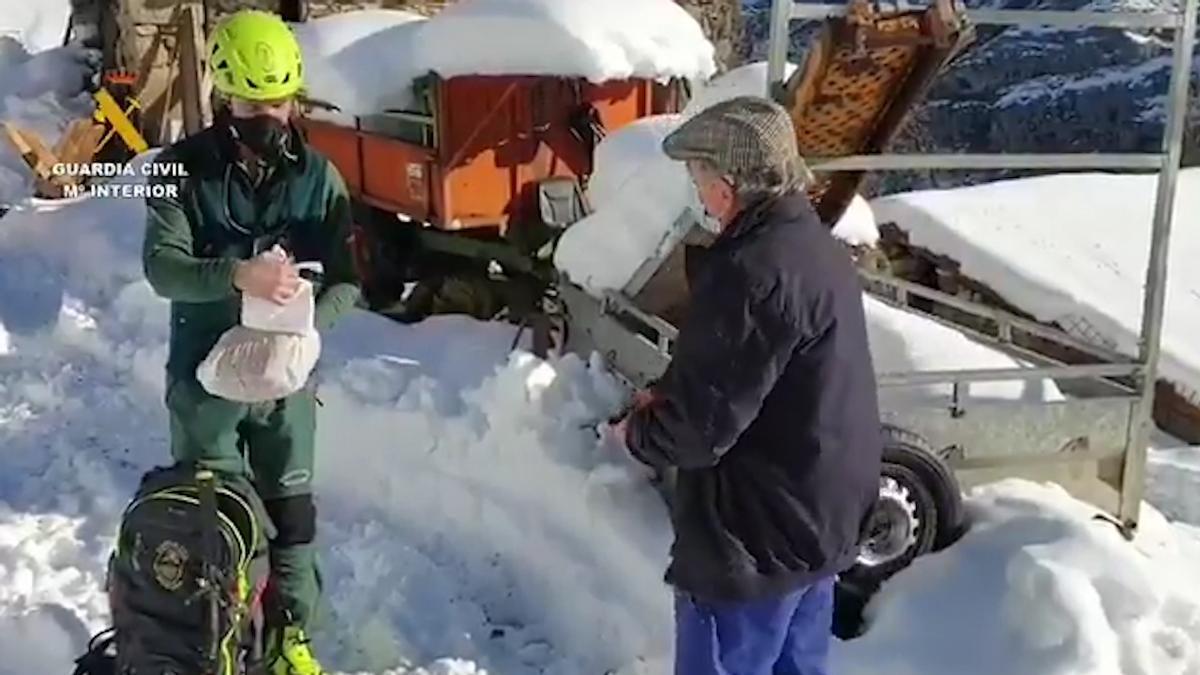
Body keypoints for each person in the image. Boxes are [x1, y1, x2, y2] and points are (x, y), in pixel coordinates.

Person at [614, 95, 884, 675]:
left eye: (697, 175)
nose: (697, 190)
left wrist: (636, 431)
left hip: (756, 538)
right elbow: (754, 376)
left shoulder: (750, 271)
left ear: (727, 185)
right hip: (818, 521)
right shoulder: (815, 247)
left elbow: (698, 431)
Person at [141, 9, 360, 675]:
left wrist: (311, 321)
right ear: (222, 95)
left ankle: (291, 636)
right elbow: (162, 267)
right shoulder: (177, 169)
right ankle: (215, 638)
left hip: (286, 381)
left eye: (280, 99)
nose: (269, 113)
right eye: (252, 100)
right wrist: (238, 274)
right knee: (213, 515)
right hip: (207, 381)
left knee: (292, 514)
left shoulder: (319, 178)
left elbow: (349, 277)